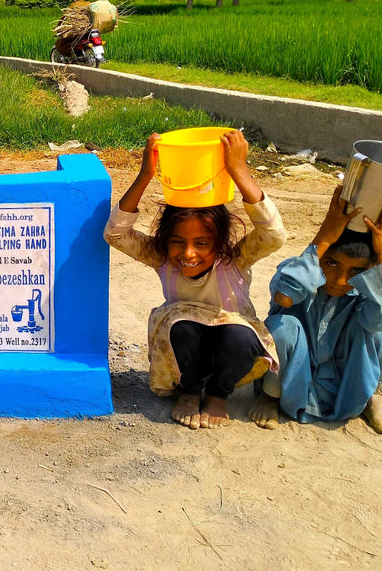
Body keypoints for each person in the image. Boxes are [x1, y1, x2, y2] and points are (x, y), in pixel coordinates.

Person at [104, 130, 287, 429]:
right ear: (165, 240)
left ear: (221, 243)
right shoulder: (161, 257)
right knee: (183, 326)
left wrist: (239, 170)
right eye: (178, 242)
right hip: (186, 356)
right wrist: (146, 174)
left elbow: (274, 234)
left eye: (202, 243)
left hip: (233, 356)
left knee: (238, 334)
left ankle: (218, 394)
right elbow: (115, 234)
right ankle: (189, 391)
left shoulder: (235, 259)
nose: (188, 253)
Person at [249, 186, 382, 434]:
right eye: (331, 263)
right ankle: (270, 395)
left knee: (381, 317)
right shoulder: (297, 270)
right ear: (319, 255)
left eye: (356, 271)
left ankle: (369, 399)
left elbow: (377, 322)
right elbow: (285, 298)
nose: (340, 281)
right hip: (293, 381)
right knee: (282, 325)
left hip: (347, 385)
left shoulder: (369, 288)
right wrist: (324, 237)